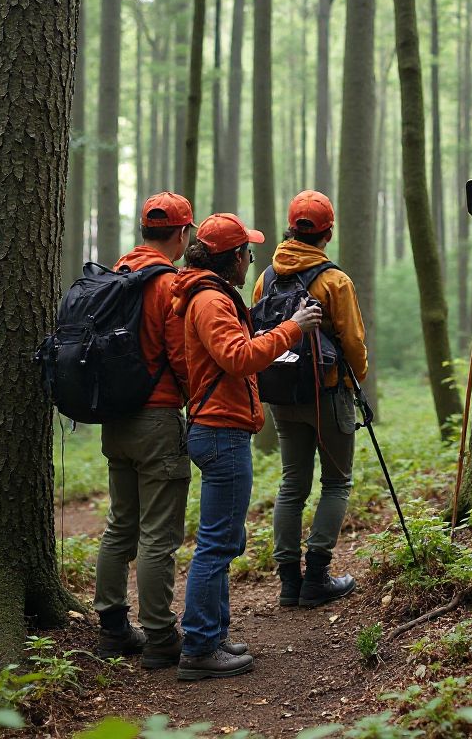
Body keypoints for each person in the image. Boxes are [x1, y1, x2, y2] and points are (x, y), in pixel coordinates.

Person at [170, 213, 322, 682]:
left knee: (226, 540)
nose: (250, 262)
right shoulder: (212, 299)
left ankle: (212, 635)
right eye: (247, 254)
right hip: (220, 430)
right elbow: (236, 358)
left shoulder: (209, 295)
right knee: (216, 544)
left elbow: (230, 351)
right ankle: (198, 646)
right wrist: (292, 328)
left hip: (219, 427)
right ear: (233, 258)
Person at [252, 190, 369, 609]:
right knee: (336, 482)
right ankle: (316, 577)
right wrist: (358, 378)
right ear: (328, 232)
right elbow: (353, 341)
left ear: (290, 228)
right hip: (328, 393)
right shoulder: (334, 280)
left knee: (291, 485)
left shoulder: (266, 277)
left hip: (281, 395)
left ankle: (288, 581)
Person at [94, 191, 194, 669]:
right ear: (181, 233)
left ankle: (113, 626)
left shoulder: (117, 274)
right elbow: (180, 354)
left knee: (121, 524)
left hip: (115, 419)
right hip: (156, 420)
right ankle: (159, 636)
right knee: (158, 533)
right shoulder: (166, 284)